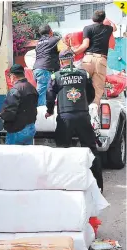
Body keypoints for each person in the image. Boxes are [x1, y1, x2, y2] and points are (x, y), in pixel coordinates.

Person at [45, 50, 103, 192]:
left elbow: (50, 95)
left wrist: (50, 110)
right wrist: (84, 104)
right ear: (73, 60)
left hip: (65, 117)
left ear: (61, 61)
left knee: (63, 151)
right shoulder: (84, 74)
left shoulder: (56, 76)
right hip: (83, 116)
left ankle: (65, 185)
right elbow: (91, 93)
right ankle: (98, 186)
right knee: (91, 149)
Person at [72, 10, 117, 106]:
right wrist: (109, 20)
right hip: (101, 60)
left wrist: (73, 52)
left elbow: (85, 45)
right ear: (103, 19)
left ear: (93, 18)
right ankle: (94, 112)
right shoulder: (108, 29)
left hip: (88, 59)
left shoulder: (87, 28)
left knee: (84, 85)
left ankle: (83, 108)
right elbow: (115, 28)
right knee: (97, 88)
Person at [0, 64, 38, 145]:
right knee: (27, 156)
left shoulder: (15, 90)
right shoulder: (32, 88)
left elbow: (10, 113)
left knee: (12, 156)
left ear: (13, 76)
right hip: (30, 128)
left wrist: (0, 115)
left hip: (17, 130)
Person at [33, 24, 62, 106]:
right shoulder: (55, 40)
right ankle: (40, 117)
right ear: (51, 31)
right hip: (45, 71)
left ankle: (46, 113)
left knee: (47, 94)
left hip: (37, 70)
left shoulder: (38, 43)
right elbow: (65, 52)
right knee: (43, 96)